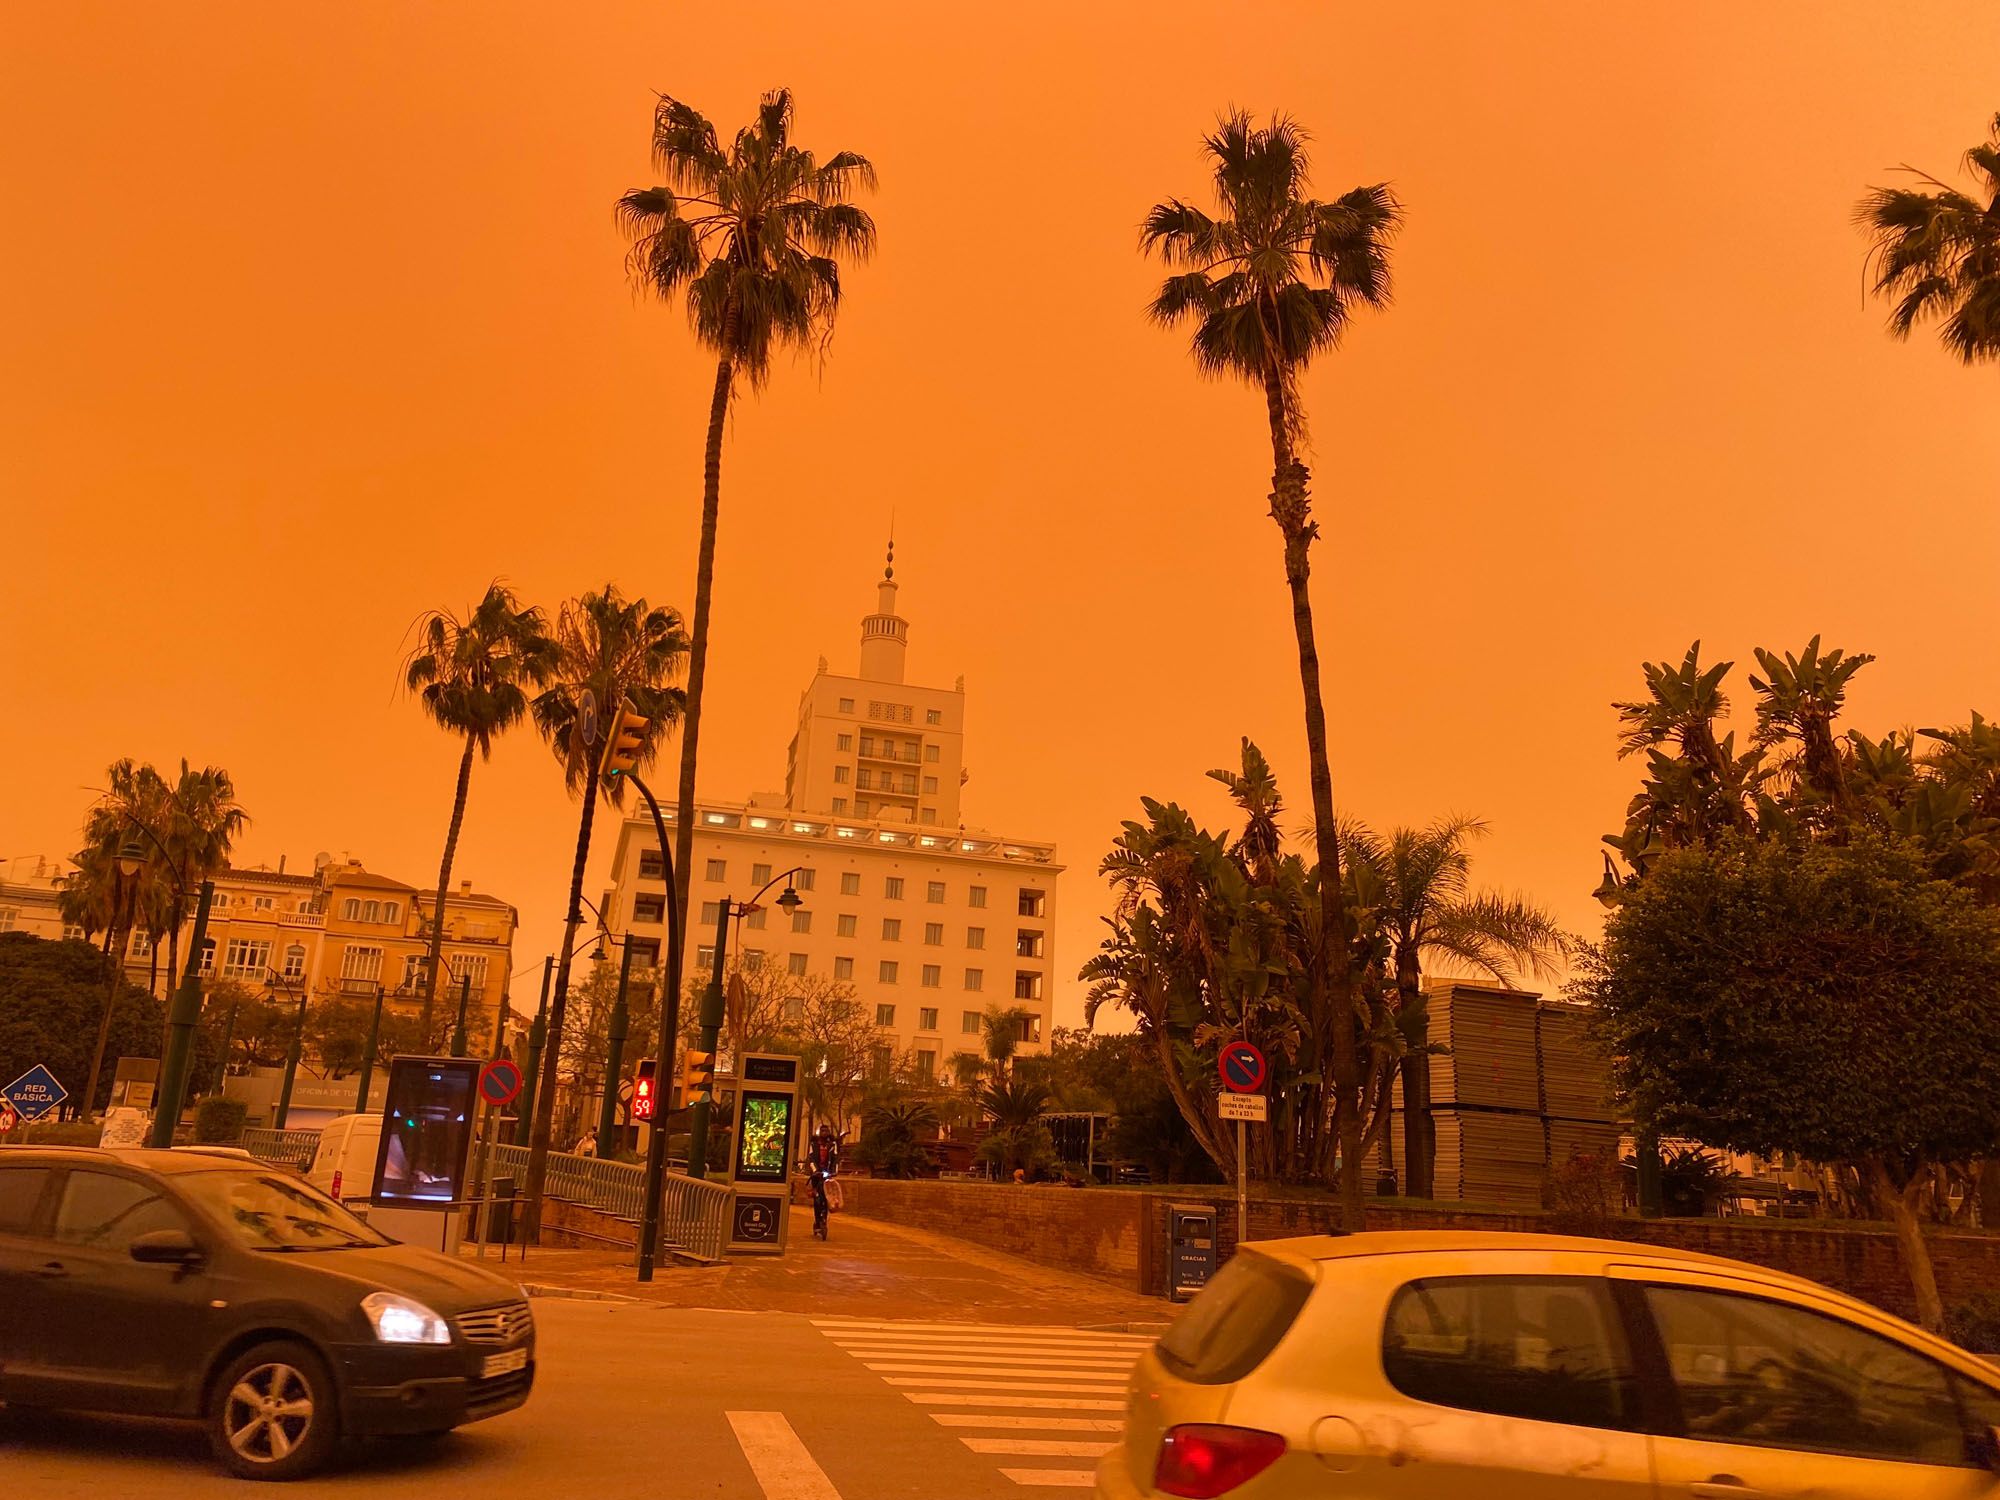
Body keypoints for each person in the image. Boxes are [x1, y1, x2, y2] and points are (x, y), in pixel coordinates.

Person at [806, 1124, 840, 1240]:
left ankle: (824, 1220)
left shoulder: (832, 1145)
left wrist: (834, 1172)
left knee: (827, 1198)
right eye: (822, 1131)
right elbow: (811, 1159)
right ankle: (817, 1221)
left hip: (827, 1175)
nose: (824, 1133)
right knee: (817, 1198)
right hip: (817, 1175)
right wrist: (815, 1171)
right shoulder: (814, 1145)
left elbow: (835, 1159)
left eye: (826, 1131)